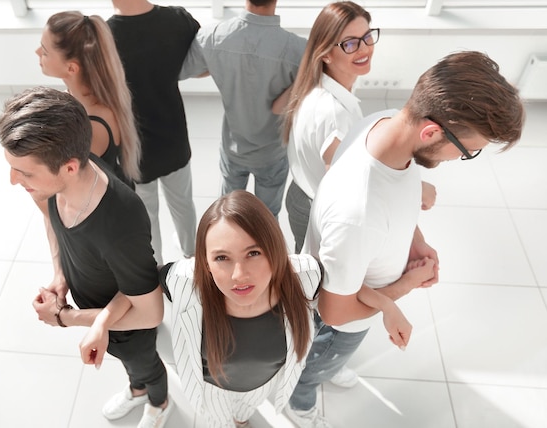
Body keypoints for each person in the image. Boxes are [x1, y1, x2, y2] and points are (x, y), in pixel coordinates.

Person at [285, 51, 526, 427]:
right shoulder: (358, 213)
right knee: (322, 357)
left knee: (333, 355)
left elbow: (394, 196)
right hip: (344, 315)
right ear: (431, 132)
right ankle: (300, 404)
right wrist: (403, 289)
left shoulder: (385, 124)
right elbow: (336, 311)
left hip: (355, 279)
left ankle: (329, 367)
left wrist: (414, 239)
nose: (460, 158)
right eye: (468, 151)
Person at [79, 190, 410, 428]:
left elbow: (342, 283)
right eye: (222, 258)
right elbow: (138, 289)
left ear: (275, 250)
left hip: (267, 383)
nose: (240, 277)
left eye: (254, 253)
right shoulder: (183, 279)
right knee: (221, 420)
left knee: (244, 412)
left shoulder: (303, 274)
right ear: (205, 263)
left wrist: (386, 305)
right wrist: (102, 322)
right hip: (211, 389)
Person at [0, 86, 173, 428]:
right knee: (131, 368)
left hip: (129, 325)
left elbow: (150, 313)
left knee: (146, 364)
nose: (12, 180)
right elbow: (50, 217)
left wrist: (67, 317)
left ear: (69, 167)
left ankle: (159, 401)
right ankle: (138, 391)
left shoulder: (119, 224)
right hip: (101, 316)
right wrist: (60, 275)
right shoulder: (53, 182)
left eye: (25, 173)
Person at [278, 1, 436, 255]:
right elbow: (348, 186)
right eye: (350, 43)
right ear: (326, 53)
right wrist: (415, 189)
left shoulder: (317, 83)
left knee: (305, 269)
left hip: (300, 192)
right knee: (314, 281)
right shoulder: (335, 114)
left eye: (367, 37)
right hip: (312, 207)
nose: (364, 50)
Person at [179, 0, 307, 217]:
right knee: (266, 218)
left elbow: (183, 71)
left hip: (233, 147)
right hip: (272, 151)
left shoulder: (213, 36)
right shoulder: (299, 50)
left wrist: (219, 65)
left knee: (227, 214)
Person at [107, 0, 199, 264]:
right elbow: (202, 63)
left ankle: (155, 267)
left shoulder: (103, 35)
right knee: (183, 204)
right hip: (174, 138)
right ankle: (192, 258)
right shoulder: (178, 19)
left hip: (134, 148)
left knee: (146, 212)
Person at [36, 11, 141, 187]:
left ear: (71, 68)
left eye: (45, 51)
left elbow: (72, 184)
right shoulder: (73, 95)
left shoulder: (95, 126)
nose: (37, 52)